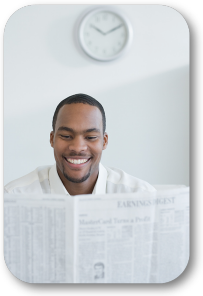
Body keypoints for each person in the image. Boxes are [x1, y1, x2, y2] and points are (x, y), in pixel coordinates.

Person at [5, 94, 156, 196]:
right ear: (52, 139)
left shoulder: (139, 196)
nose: (77, 147)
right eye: (66, 136)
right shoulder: (15, 196)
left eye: (90, 137)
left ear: (104, 141)